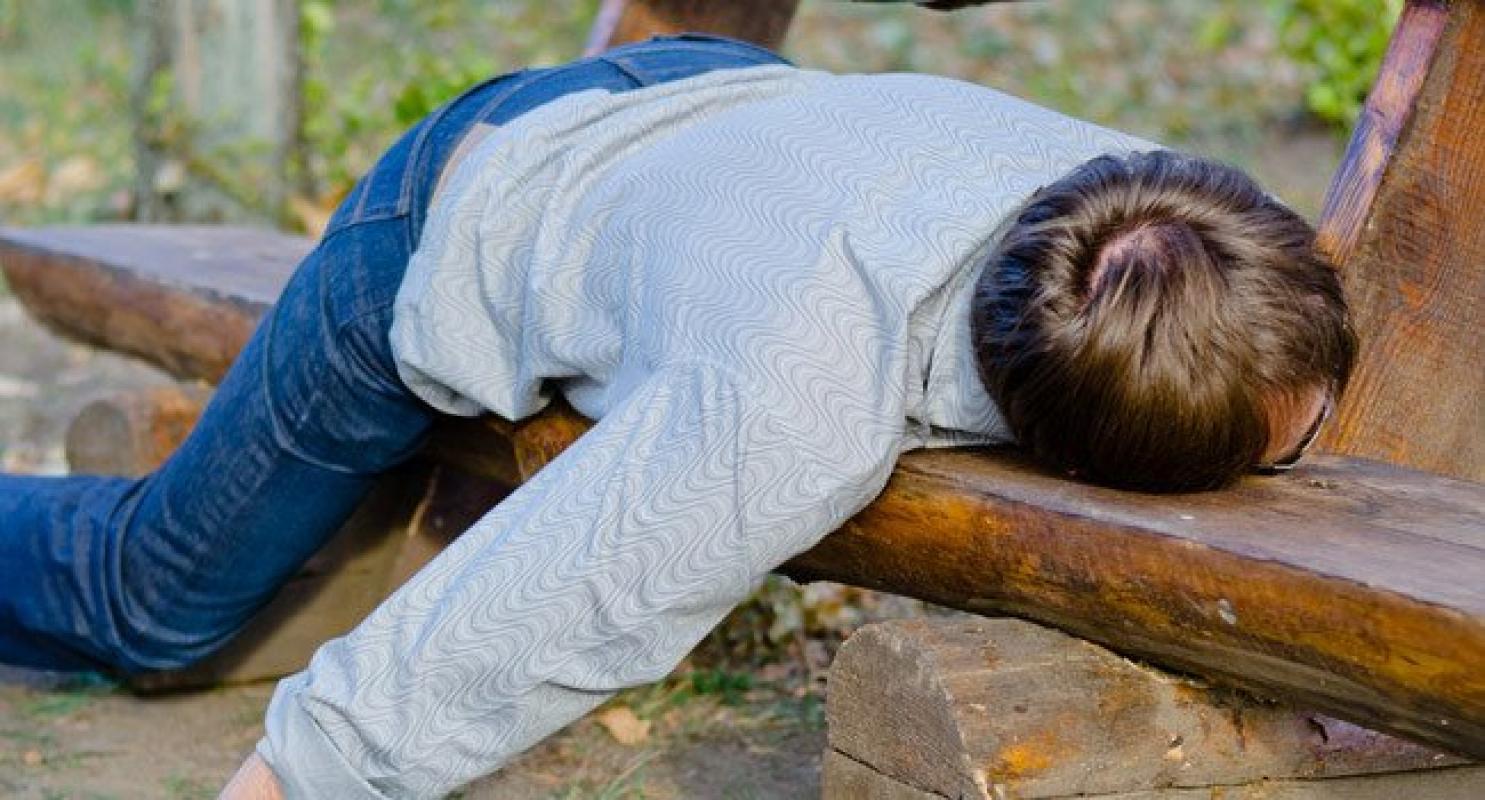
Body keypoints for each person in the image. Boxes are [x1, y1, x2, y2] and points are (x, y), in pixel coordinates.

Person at [0, 34, 1355, 798]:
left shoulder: (1158, 225)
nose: (1321, 436)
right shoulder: (789, 407)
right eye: (1288, 442)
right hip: (451, 210)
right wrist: (293, 777)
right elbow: (530, 616)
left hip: (697, 106)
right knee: (154, 603)